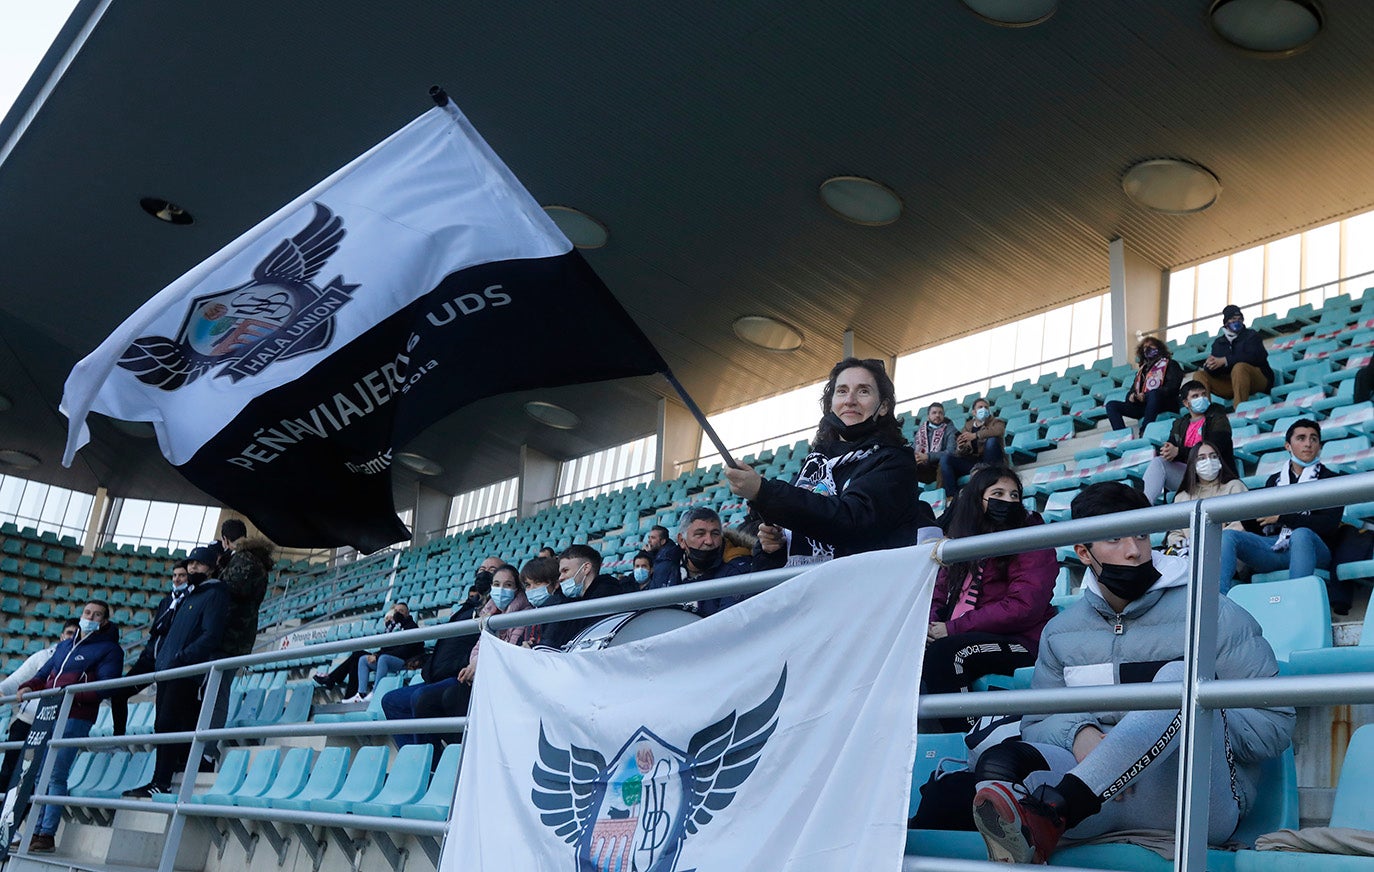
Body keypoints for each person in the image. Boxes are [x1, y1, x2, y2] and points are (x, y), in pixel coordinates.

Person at [970, 483, 1294, 864]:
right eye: (1114, 539)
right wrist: (1082, 734)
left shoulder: (1211, 612)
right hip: (1100, 804)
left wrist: (1166, 736)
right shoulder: (1061, 632)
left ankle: (1059, 809)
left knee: (1179, 681)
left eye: (1142, 533)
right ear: (1082, 551)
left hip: (1190, 799)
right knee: (1002, 765)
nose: (1135, 550)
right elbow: (1038, 723)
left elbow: (1274, 723)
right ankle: (1042, 822)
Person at [725, 358, 924, 567]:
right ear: (831, 404)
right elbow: (771, 568)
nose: (850, 400)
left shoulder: (895, 461)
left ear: (883, 406)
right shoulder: (813, 465)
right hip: (810, 595)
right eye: (842, 391)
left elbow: (851, 522)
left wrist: (763, 491)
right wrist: (773, 548)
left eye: (863, 391)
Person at [925, 467, 1057, 722]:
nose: (1007, 501)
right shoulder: (963, 541)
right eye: (998, 493)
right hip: (961, 632)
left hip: (1021, 640)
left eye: (1014, 495)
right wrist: (930, 627)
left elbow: (1024, 606)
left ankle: (963, 743)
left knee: (947, 653)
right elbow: (938, 593)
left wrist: (952, 629)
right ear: (978, 500)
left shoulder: (1031, 536)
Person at [16, 601, 123, 853]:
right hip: (49, 713)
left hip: (76, 717)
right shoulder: (64, 646)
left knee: (55, 774)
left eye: (97, 615)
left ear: (104, 622)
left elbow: (105, 687)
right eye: (87, 613)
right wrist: (29, 686)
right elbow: (44, 674)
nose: (90, 617)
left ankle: (47, 833)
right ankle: (35, 830)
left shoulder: (110, 650)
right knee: (40, 774)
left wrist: (69, 694)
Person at [123, 561, 229, 798]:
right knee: (166, 725)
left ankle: (162, 781)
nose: (192, 569)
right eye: (189, 564)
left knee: (168, 724)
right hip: (169, 668)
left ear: (210, 567)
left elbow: (209, 634)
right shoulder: (188, 597)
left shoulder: (213, 594)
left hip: (184, 670)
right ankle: (163, 777)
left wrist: (182, 658)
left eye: (197, 564)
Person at [1219, 419, 1342, 593]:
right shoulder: (1274, 480)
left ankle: (1296, 604)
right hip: (1276, 546)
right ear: (1287, 446)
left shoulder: (1330, 479)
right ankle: (1218, 603)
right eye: (1301, 438)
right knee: (1229, 536)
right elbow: (1260, 527)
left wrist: (1283, 517)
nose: (1308, 443)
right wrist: (1248, 514)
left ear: (1319, 446)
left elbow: (1329, 526)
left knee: (1300, 534)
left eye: (1314, 439)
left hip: (1314, 549)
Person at [380, 580, 492, 749]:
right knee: (390, 700)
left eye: (491, 569)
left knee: (420, 697)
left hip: (460, 676)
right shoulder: (466, 609)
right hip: (437, 674)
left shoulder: (496, 612)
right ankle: (416, 760)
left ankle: (428, 762)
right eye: (482, 568)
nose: (484, 573)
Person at [111, 560, 190, 736]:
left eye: (182, 575)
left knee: (162, 715)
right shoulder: (166, 601)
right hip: (149, 659)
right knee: (119, 694)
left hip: (170, 661)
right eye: (175, 575)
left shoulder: (190, 601)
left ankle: (161, 747)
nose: (177, 579)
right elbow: (156, 631)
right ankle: (118, 738)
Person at [0, 620, 78, 791]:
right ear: (61, 636)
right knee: (8, 773)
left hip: (53, 727)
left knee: (35, 778)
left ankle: (24, 817)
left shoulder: (83, 663)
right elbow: (14, 681)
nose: (72, 637)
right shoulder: (42, 656)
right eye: (69, 633)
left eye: (76, 634)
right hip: (26, 723)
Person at [1141, 380, 1235, 505]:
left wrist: (1179, 452)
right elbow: (1172, 448)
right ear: (1186, 403)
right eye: (1195, 396)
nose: (1201, 398)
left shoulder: (1218, 418)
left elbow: (1216, 447)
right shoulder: (1179, 424)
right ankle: (1143, 507)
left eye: (1203, 394)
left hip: (1215, 471)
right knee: (1159, 462)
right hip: (1189, 475)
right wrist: (1166, 451)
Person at [648, 507, 754, 616]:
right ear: (681, 540)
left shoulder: (737, 570)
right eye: (700, 534)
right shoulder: (664, 569)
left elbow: (728, 624)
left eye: (715, 534)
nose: (709, 541)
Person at [1163, 442, 1248, 555]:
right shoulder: (1182, 497)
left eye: (1213, 456)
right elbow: (1174, 534)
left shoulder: (1234, 486)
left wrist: (1211, 541)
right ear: (1193, 464)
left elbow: (1242, 524)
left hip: (1228, 552)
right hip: (1192, 556)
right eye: (1202, 458)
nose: (1208, 461)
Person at [538, 546, 626, 650]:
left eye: (565, 570)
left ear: (585, 568)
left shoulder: (608, 599)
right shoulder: (568, 601)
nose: (560, 578)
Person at [1193, 304, 1273, 403]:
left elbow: (1257, 356)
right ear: (1226, 322)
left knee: (1239, 367)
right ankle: (1205, 413)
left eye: (1240, 319)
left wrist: (1226, 360)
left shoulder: (1251, 335)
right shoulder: (1219, 343)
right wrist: (1210, 366)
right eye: (1233, 319)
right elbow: (1217, 370)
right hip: (1230, 383)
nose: (1237, 321)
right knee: (1199, 375)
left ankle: (1239, 409)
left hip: (1258, 380)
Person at [345, 602, 421, 703]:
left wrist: (379, 656)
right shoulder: (393, 627)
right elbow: (386, 647)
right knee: (363, 659)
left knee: (383, 658)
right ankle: (361, 693)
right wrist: (375, 655)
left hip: (406, 661)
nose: (398, 613)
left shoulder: (411, 626)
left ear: (407, 613)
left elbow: (405, 650)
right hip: (390, 660)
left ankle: (375, 692)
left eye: (401, 611)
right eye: (396, 611)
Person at [1105, 336, 1183, 434]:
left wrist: (1147, 396)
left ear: (1159, 348)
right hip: (1144, 406)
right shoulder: (1142, 371)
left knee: (1154, 394)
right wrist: (1132, 397)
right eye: (1145, 347)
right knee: (1111, 405)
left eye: (1151, 346)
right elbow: (1132, 391)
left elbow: (1173, 387)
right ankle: (1121, 435)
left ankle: (1145, 431)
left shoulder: (1171, 364)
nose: (1147, 349)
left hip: (1164, 403)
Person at [940, 398, 1007, 496]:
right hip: (974, 462)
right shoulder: (968, 426)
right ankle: (952, 495)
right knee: (946, 458)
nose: (983, 409)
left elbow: (998, 431)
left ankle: (989, 476)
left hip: (991, 460)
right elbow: (963, 451)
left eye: (986, 407)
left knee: (992, 440)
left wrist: (975, 435)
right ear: (974, 412)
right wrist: (960, 446)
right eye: (980, 407)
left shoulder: (996, 421)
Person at [913, 401, 959, 485]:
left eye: (940, 413)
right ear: (928, 416)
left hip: (939, 466)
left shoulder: (950, 430)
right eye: (934, 413)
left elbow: (950, 452)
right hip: (921, 467)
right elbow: (913, 450)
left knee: (944, 461)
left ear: (943, 416)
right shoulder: (920, 432)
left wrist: (928, 456)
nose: (937, 415)